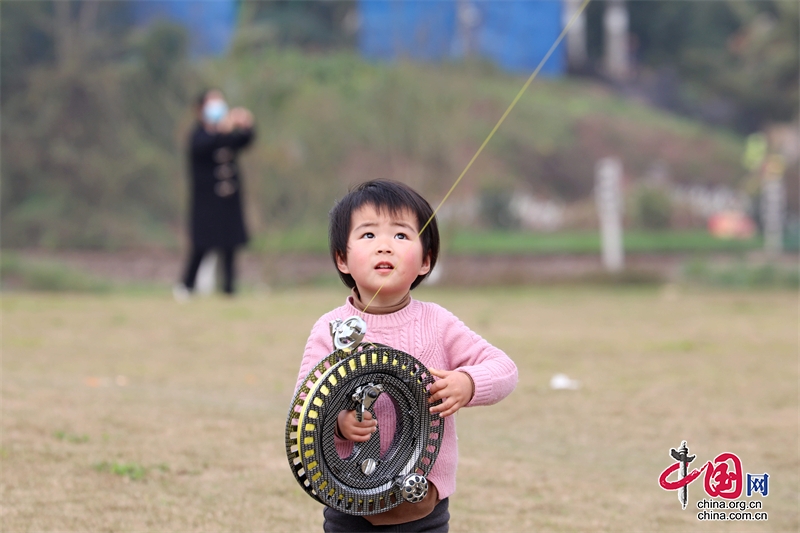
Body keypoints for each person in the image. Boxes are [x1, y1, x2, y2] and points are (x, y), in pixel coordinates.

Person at [294, 180, 518, 532]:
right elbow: (303, 406)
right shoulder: (330, 328)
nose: (385, 246)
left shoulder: (438, 323)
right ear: (342, 259)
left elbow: (505, 369)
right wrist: (338, 422)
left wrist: (468, 382)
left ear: (426, 260)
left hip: (423, 506)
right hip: (348, 503)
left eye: (401, 236)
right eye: (368, 235)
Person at [175, 89, 255, 300]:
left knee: (230, 245)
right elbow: (204, 147)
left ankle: (229, 289)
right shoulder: (198, 135)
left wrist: (246, 124)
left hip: (228, 201)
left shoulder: (226, 134)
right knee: (201, 245)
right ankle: (186, 287)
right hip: (206, 203)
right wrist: (223, 130)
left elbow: (244, 141)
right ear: (200, 109)